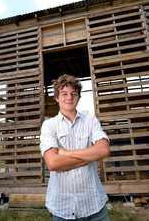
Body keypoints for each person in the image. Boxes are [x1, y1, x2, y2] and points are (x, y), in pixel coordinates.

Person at [40, 74, 110, 220]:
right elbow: (53, 163)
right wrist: (89, 157)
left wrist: (65, 153)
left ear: (78, 97)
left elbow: (103, 150)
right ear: (57, 98)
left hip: (94, 204)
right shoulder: (49, 125)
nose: (69, 97)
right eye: (64, 94)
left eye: (74, 94)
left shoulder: (90, 120)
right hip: (63, 208)